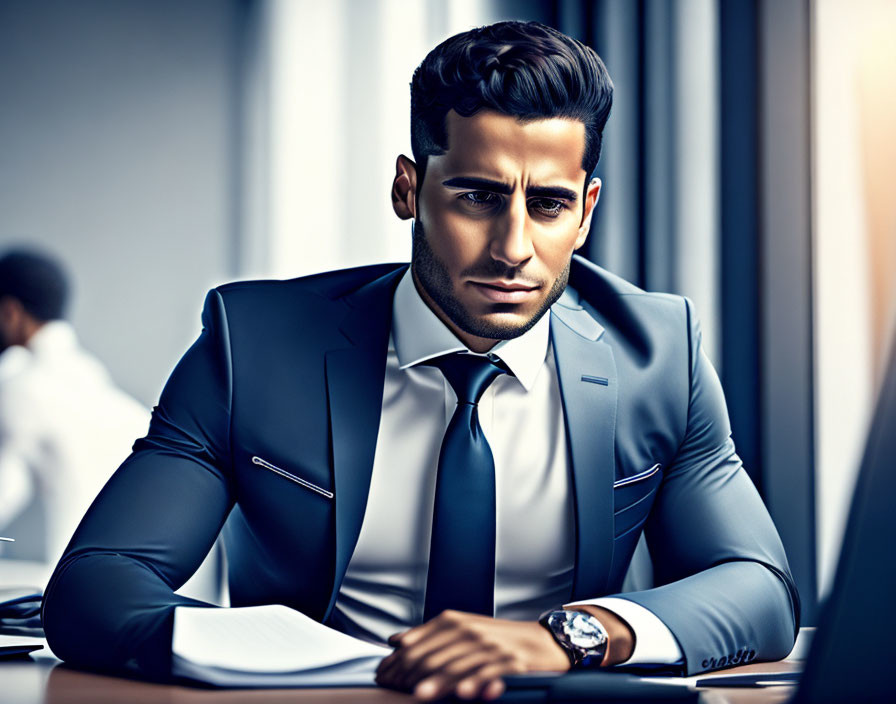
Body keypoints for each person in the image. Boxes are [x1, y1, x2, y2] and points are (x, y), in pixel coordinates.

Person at [41, 21, 799, 702]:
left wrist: (567, 637)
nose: (512, 250)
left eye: (548, 206)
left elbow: (760, 589)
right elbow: (96, 587)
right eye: (476, 197)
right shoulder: (254, 345)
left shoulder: (658, 352)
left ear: (587, 210)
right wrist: (323, 665)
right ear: (411, 188)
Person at [0, 249, 151, 568]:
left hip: (73, 583)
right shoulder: (89, 375)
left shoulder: (23, 385)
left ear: (10, 312)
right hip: (146, 576)